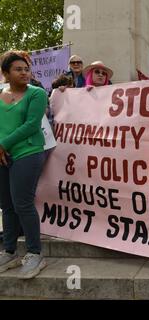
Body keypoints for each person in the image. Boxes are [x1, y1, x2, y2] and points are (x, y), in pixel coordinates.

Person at [0, 51, 49, 279]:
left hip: (28, 153)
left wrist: (3, 145)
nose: (24, 73)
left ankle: (34, 253)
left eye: (26, 69)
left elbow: (31, 125)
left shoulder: (37, 94)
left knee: (22, 203)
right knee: (7, 205)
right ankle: (9, 251)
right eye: (18, 69)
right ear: (6, 73)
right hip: (2, 155)